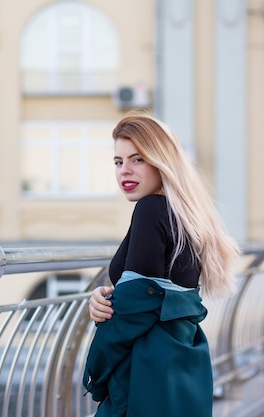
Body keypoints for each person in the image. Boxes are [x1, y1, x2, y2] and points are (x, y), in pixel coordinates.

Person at [82, 110, 239, 417]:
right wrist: (106, 297)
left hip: (143, 379)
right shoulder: (187, 216)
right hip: (181, 371)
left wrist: (94, 375)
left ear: (161, 161)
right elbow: (156, 293)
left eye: (137, 159)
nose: (124, 170)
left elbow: (135, 307)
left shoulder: (151, 209)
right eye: (118, 161)